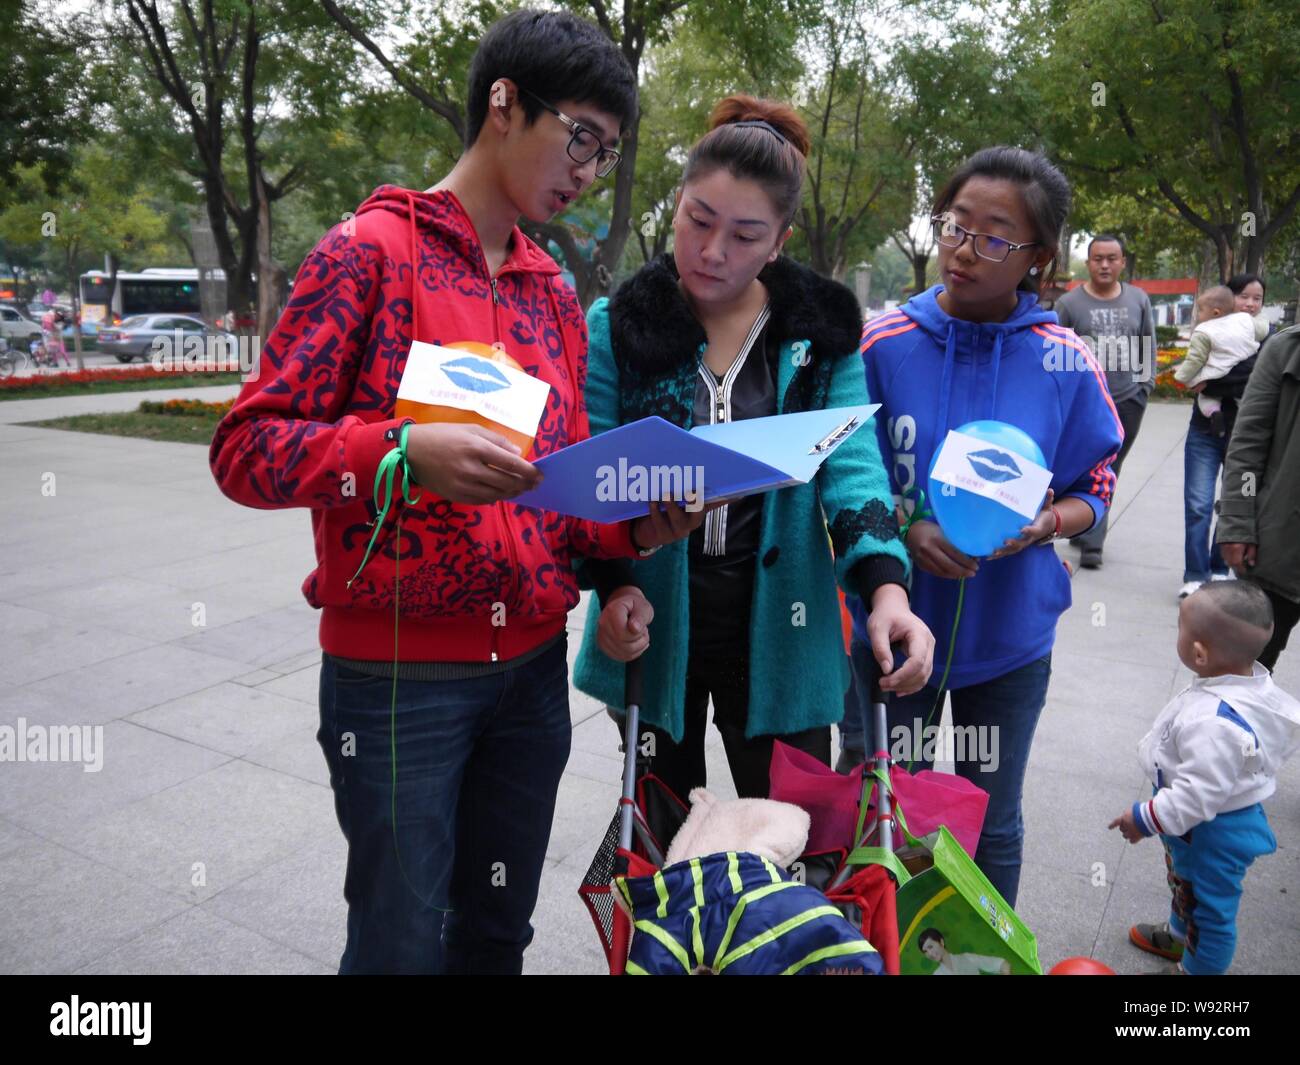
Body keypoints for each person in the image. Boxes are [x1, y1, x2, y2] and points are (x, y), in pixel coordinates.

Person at [209, 9, 702, 975]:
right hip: (399, 678)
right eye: (582, 139)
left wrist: (629, 542)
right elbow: (246, 449)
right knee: (398, 940)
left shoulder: (551, 289)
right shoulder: (368, 252)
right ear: (505, 105)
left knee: (493, 935)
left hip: (529, 675)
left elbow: (553, 485)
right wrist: (399, 451)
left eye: (609, 153)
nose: (590, 171)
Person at [572, 96, 934, 802]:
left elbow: (853, 465)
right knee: (663, 846)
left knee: (786, 847)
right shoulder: (618, 325)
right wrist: (613, 584)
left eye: (744, 235)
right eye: (698, 221)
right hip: (649, 620)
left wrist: (887, 591)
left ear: (779, 240)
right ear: (675, 206)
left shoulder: (819, 332)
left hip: (783, 624)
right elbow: (595, 470)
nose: (712, 251)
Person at [855, 146, 1123, 907]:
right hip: (889, 632)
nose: (965, 249)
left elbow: (1094, 483)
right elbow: (848, 472)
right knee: (885, 813)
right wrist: (905, 528)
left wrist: (1044, 524)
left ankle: (983, 958)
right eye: (955, 225)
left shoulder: (1064, 359)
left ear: (1040, 256)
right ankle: (886, 948)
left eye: (995, 236)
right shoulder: (883, 343)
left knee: (991, 822)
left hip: (1008, 641)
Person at [1111, 582, 1299, 974]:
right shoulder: (1244, 683)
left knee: (1210, 912)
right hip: (1195, 829)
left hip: (1212, 833)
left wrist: (1142, 818)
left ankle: (1195, 970)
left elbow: (1198, 796)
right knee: (1186, 884)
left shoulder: (1214, 723)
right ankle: (1180, 936)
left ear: (1199, 653)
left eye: (1180, 626)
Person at [1052, 234, 1156, 568]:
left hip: (1127, 399)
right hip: (1085, 403)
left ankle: (1093, 540)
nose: (1105, 265)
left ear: (1122, 262)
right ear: (1089, 262)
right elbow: (1056, 349)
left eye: (1112, 258)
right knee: (1082, 465)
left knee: (1111, 466)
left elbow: (1147, 345)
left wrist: (1145, 386)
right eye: (1098, 258)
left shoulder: (1138, 300)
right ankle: (1085, 522)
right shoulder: (1069, 304)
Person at [1218, 321, 1300, 671]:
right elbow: (1249, 448)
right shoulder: (1286, 349)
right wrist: (1239, 521)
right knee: (1244, 670)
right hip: (1281, 543)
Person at [1173, 286, 1262, 433]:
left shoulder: (1204, 330)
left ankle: (1214, 413)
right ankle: (1248, 422)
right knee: (1245, 401)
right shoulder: (1245, 320)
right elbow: (1262, 330)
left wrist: (1181, 377)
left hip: (1216, 370)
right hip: (1246, 371)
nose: (1250, 304)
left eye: (1200, 310)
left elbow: (1195, 359)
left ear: (1215, 312)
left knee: (1206, 397)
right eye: (1243, 296)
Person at [918, 928, 1011, 975]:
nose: (929, 953)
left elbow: (1003, 964)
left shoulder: (967, 958)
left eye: (930, 947)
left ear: (941, 942)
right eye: (925, 951)